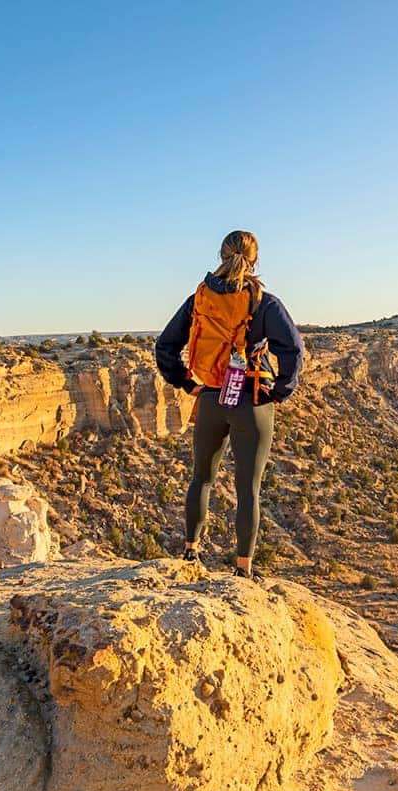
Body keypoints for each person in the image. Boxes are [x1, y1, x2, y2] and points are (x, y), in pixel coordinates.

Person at [155, 230, 304, 578]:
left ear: (220, 255)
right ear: (255, 261)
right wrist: (280, 390)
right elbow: (292, 350)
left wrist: (186, 383)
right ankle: (243, 569)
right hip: (251, 400)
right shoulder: (264, 302)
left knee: (201, 479)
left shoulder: (200, 298)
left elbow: (165, 346)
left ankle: (190, 553)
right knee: (248, 489)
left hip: (210, 398)